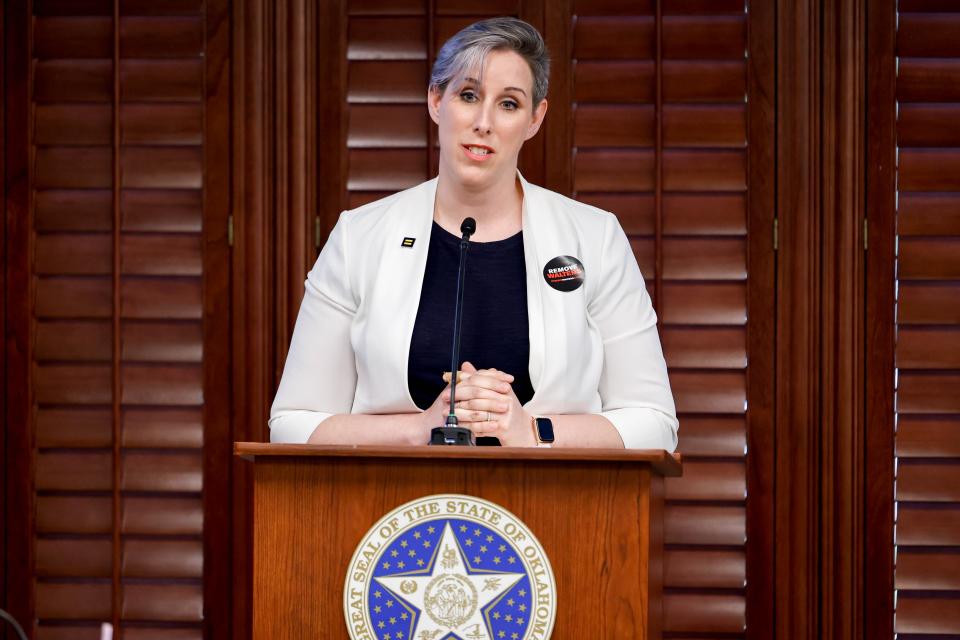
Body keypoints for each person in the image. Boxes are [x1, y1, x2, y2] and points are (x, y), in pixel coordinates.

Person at [269, 17, 678, 450]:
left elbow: (655, 425)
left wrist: (532, 431)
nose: (484, 122)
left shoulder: (595, 238)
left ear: (535, 118)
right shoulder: (359, 238)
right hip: (396, 509)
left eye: (509, 104)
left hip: (554, 508)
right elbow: (294, 425)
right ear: (435, 101)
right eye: (468, 95)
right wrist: (422, 428)